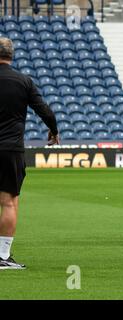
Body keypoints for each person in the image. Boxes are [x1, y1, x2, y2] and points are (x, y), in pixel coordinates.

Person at [0, 37, 59, 269]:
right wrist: (53, 131)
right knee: (8, 202)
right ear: (11, 56)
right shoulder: (23, 81)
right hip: (10, 150)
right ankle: (2, 256)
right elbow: (45, 111)